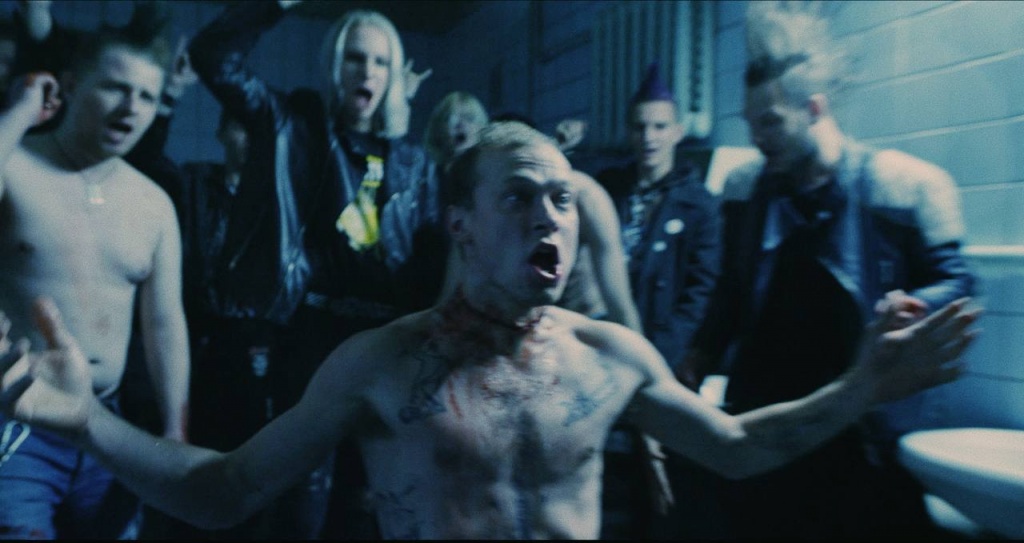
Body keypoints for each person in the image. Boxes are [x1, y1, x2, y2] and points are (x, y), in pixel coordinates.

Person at [0, 121, 980, 541]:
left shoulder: (610, 357)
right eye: (520, 196)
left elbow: (734, 446)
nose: (550, 217)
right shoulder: (383, 363)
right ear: (461, 223)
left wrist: (862, 386)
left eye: (562, 199)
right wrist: (86, 422)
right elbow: (225, 490)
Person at [679, 3, 977, 539]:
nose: (757, 137)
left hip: (861, 433)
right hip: (770, 423)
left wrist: (909, 307)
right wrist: (699, 354)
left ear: (814, 108)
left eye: (771, 122)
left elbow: (959, 284)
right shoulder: (747, 191)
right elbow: (731, 288)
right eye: (751, 123)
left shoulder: (904, 187)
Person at [188, 1, 446, 538]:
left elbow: (427, 270)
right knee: (300, 504)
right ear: (335, 66)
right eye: (356, 58)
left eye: (380, 61)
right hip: (314, 339)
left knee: (371, 505)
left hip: (388, 344)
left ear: (393, 76)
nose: (367, 72)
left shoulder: (415, 165)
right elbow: (213, 57)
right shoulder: (296, 127)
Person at [0, 13, 189, 540]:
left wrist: (174, 429)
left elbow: (165, 325)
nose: (132, 108)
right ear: (70, 85)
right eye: (115, 88)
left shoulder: (154, 205)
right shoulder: (16, 167)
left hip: (108, 424)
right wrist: (19, 113)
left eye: (147, 96)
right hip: (19, 414)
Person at [594, 61, 722, 540]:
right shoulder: (609, 188)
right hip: (602, 356)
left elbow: (699, 294)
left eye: (659, 126)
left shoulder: (699, 205)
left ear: (678, 131)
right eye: (640, 126)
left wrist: (653, 363)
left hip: (658, 363)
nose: (648, 137)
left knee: (656, 490)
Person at [423, 91, 488, 172]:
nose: (461, 124)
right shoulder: (424, 174)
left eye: (469, 118)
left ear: (481, 127)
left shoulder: (493, 172)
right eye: (452, 119)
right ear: (439, 129)